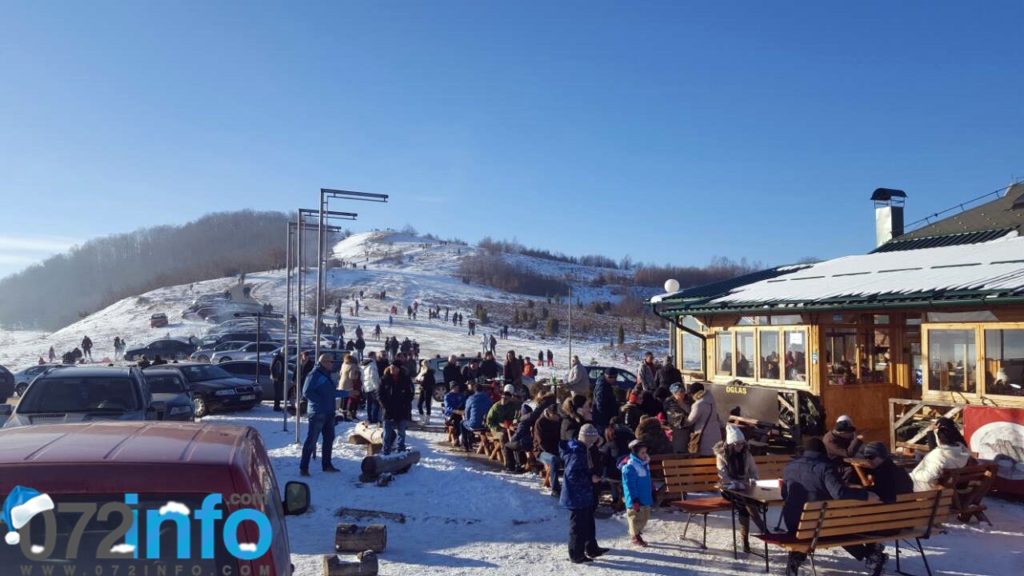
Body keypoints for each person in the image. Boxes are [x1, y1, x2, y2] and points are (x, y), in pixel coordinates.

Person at [781, 437, 882, 576]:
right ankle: (870, 555)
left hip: (793, 524)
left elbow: (784, 494)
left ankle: (796, 558)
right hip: (820, 527)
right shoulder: (825, 467)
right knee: (838, 528)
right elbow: (839, 493)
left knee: (824, 526)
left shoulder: (790, 466)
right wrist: (865, 495)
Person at [560, 427, 609, 563]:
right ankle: (576, 554)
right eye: (593, 441)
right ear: (587, 439)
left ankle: (591, 548)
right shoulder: (577, 452)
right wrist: (590, 478)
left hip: (584, 493)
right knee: (578, 525)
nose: (594, 443)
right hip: (576, 495)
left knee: (588, 521)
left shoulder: (582, 449)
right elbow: (572, 475)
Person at [714, 425, 767, 552]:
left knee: (745, 502)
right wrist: (734, 483)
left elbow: (753, 471)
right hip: (728, 489)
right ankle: (762, 530)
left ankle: (746, 540)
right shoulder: (722, 455)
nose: (740, 447)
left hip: (745, 488)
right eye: (737, 444)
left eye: (742, 444)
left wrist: (753, 480)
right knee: (746, 502)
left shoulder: (746, 454)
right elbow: (723, 475)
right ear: (730, 444)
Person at [299, 354, 340, 476]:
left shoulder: (326, 374)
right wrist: (320, 401)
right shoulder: (314, 374)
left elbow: (331, 393)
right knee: (312, 440)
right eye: (331, 361)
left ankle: (327, 465)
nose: (332, 364)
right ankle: (304, 467)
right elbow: (306, 392)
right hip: (317, 412)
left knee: (329, 439)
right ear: (324, 362)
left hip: (329, 412)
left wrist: (347, 393)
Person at [911, 425, 971, 492]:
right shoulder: (963, 453)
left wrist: (913, 474)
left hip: (925, 488)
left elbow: (927, 477)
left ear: (939, 439)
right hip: (946, 486)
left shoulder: (939, 455)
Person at [620, 439, 654, 547]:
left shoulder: (644, 464)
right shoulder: (630, 467)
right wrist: (634, 499)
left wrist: (652, 489)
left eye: (645, 452)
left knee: (645, 516)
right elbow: (630, 485)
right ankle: (635, 536)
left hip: (645, 496)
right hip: (635, 498)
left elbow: (647, 480)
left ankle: (637, 531)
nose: (645, 455)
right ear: (635, 453)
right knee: (635, 517)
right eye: (642, 453)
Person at [379, 358, 415, 455]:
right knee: (387, 432)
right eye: (391, 367)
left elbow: (410, 393)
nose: (392, 369)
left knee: (401, 432)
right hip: (388, 409)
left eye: (394, 367)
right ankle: (386, 450)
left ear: (398, 369)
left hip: (401, 408)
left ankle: (401, 449)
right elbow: (380, 394)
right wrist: (384, 405)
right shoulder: (384, 379)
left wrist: (405, 403)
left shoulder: (405, 379)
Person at [684, 382, 722, 456]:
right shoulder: (711, 400)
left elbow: (690, 421)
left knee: (703, 457)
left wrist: (682, 417)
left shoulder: (698, 405)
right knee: (714, 455)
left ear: (695, 394)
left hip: (704, 436)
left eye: (691, 394)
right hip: (715, 433)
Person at [535, 403, 564, 496]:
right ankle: (555, 489)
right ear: (550, 414)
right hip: (542, 451)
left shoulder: (559, 421)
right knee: (553, 459)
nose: (558, 417)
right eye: (556, 415)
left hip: (556, 448)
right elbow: (541, 443)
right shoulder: (540, 422)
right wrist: (555, 452)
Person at [823, 415, 864, 480]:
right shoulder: (829, 440)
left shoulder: (840, 436)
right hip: (834, 466)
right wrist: (857, 440)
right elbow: (847, 453)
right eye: (849, 433)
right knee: (851, 470)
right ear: (841, 433)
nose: (851, 434)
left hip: (843, 462)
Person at [461, 381, 494, 452]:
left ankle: (466, 445)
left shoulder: (471, 398)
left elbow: (466, 412)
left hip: (474, 425)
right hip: (486, 425)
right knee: (469, 422)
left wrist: (467, 419)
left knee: (462, 423)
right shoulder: (488, 398)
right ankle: (471, 441)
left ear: (474, 390)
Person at [663, 383, 691, 454]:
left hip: (690, 432)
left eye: (683, 391)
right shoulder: (670, 405)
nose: (682, 393)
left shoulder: (688, 401)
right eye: (680, 392)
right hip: (678, 432)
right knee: (680, 451)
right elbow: (678, 420)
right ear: (674, 393)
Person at [338, 354, 362, 421]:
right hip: (348, 384)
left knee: (343, 399)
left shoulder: (344, 364)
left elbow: (340, 373)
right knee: (346, 400)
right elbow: (351, 377)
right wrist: (357, 374)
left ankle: (342, 414)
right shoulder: (353, 365)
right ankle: (345, 416)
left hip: (342, 383)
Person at [362, 354, 382, 425]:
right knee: (375, 403)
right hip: (372, 387)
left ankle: (369, 418)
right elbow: (373, 377)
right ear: (372, 356)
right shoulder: (372, 365)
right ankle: (374, 418)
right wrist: (377, 387)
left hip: (366, 387)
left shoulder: (364, 365)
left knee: (369, 403)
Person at [415, 360, 436, 425]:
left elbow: (432, 382)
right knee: (419, 405)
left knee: (427, 405)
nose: (424, 365)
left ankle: (427, 420)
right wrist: (419, 382)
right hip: (422, 389)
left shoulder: (429, 372)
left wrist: (422, 383)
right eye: (423, 364)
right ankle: (422, 418)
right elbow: (418, 379)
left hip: (428, 390)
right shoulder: (422, 371)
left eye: (426, 364)